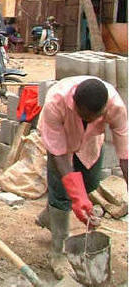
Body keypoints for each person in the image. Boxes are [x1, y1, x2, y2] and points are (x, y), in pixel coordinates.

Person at [36, 76, 127, 279]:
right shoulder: (56, 102)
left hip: (90, 142)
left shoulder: (115, 106)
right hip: (60, 140)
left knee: (91, 183)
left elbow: (125, 154)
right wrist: (76, 197)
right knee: (62, 192)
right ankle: (57, 253)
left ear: (103, 111)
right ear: (74, 105)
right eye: (83, 115)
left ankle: (49, 214)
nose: (87, 119)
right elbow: (59, 154)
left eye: (93, 118)